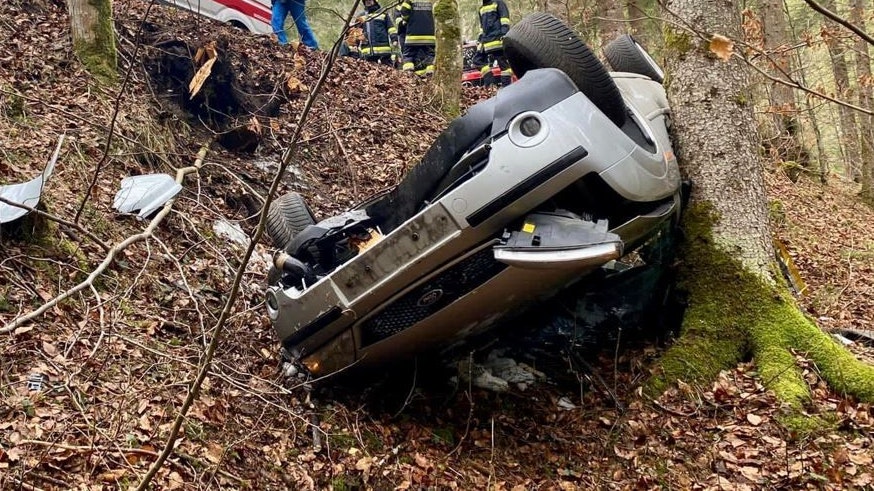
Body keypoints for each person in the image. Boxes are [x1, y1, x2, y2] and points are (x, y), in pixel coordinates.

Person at [474, 0, 511, 86]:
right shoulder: (481, 8)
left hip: (497, 40)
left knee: (503, 64)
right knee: (477, 60)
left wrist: (504, 34)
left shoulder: (498, 3)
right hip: (486, 41)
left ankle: (506, 87)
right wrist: (480, 40)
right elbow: (482, 28)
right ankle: (489, 81)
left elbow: (505, 20)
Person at [353, 0, 396, 65]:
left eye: (370, 0)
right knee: (370, 71)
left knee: (388, 70)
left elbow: (391, 28)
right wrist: (355, 44)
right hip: (368, 51)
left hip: (384, 50)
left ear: (375, 1)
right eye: (366, 0)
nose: (368, 1)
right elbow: (357, 33)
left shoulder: (383, 13)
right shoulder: (361, 17)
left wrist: (394, 39)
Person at [399, 0, 435, 76]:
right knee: (430, 54)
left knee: (408, 55)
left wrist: (405, 20)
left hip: (413, 36)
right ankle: (431, 74)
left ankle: (408, 74)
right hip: (429, 36)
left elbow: (404, 11)